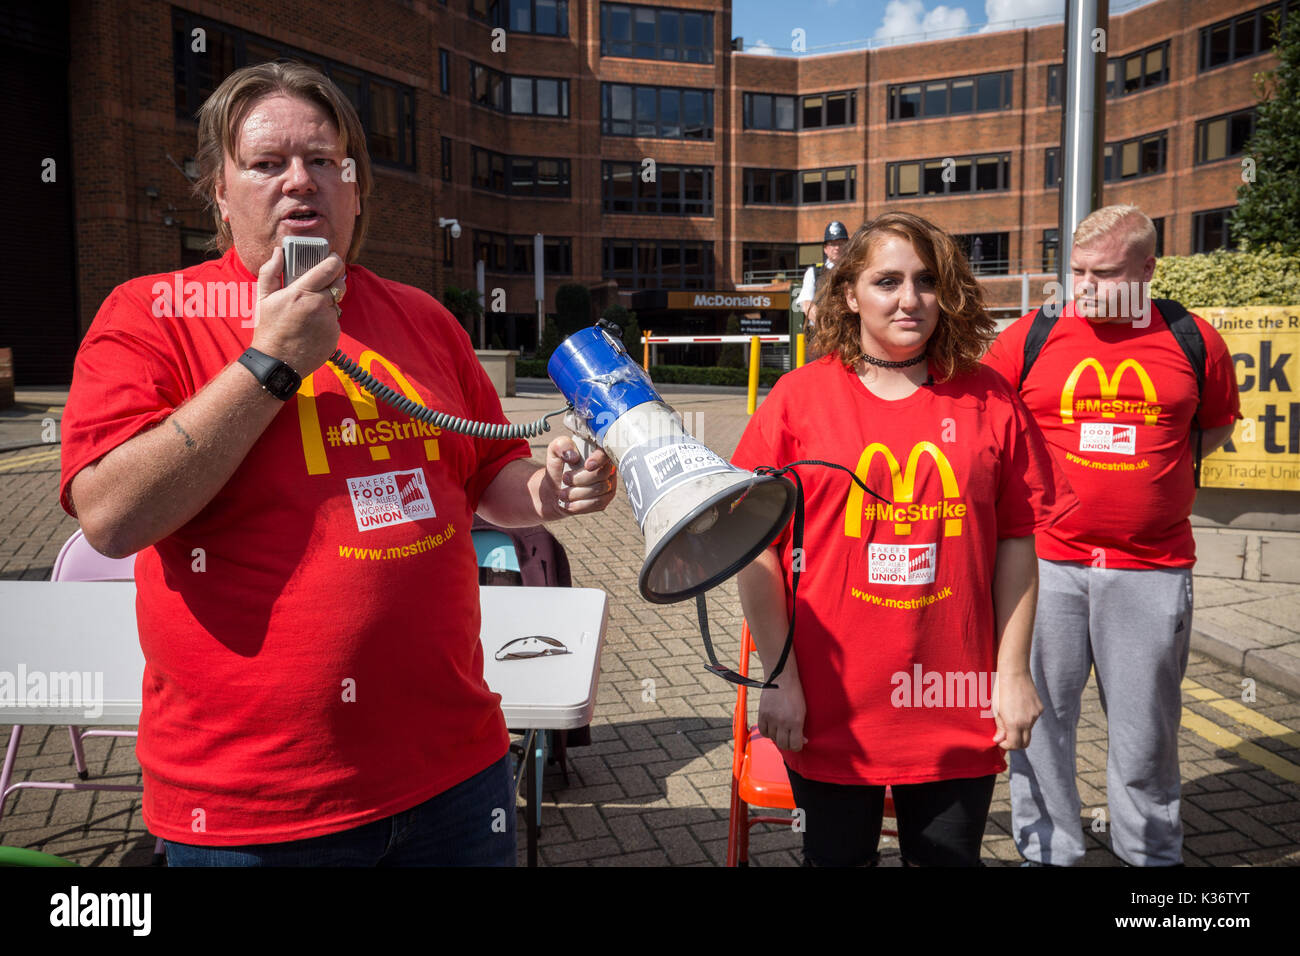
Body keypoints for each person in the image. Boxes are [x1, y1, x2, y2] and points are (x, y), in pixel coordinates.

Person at [57, 62, 616, 867]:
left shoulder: (421, 317)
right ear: (220, 191)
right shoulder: (153, 314)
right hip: (258, 805)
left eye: (325, 160)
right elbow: (111, 516)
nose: (300, 182)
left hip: (454, 774)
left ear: (356, 191)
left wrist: (554, 488)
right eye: (266, 163)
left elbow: (490, 480)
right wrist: (270, 362)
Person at [732, 211, 1077, 867]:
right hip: (828, 706)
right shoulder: (796, 400)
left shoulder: (990, 401)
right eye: (887, 280)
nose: (909, 299)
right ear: (849, 294)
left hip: (954, 708)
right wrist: (777, 679)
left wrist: (1011, 673)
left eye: (925, 280)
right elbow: (756, 551)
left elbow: (1016, 543)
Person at [983, 204, 1241, 867]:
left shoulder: (1194, 339)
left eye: (1103, 275)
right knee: (1040, 727)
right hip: (1044, 568)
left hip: (1152, 569)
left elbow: (1212, 426)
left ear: (1148, 268)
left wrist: (1151, 486)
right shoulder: (1031, 337)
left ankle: (1149, 857)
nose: (1085, 289)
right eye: (1076, 272)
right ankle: (1050, 852)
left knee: (1146, 735)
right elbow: (988, 426)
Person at [796, 220, 849, 337]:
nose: (837, 248)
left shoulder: (855, 271)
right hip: (821, 334)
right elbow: (807, 305)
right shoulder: (814, 272)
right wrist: (827, 327)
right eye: (832, 244)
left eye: (841, 243)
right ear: (825, 248)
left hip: (850, 333)